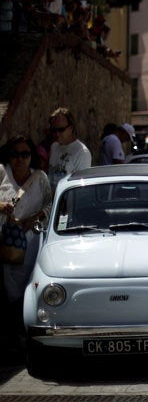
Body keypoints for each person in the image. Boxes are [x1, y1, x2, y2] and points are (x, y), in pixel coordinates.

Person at [0, 136, 52, 353]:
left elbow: (51, 204)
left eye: (25, 154)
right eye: (15, 154)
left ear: (32, 156)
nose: (20, 159)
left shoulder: (40, 178)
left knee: (28, 287)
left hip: (31, 243)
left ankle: (25, 334)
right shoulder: (2, 173)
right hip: (4, 243)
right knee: (6, 287)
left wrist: (36, 217)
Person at [47, 107, 92, 191]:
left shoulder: (82, 152)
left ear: (71, 128)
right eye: (54, 130)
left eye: (61, 130)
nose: (57, 134)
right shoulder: (54, 146)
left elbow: (81, 187)